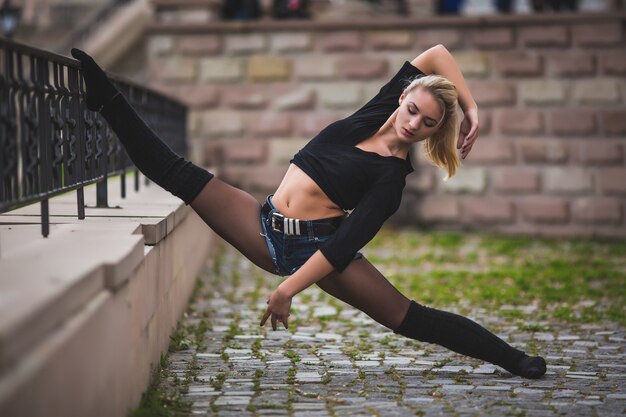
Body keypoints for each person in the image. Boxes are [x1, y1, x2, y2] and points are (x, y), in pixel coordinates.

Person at [71, 45, 547, 379]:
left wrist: (287, 288)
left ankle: (514, 359)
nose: (414, 124)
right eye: (414, 110)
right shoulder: (374, 112)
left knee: (410, 319)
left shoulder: (390, 180)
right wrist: (470, 106)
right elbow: (437, 52)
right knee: (176, 172)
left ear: (431, 133)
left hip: (315, 248)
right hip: (264, 223)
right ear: (403, 96)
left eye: (427, 124)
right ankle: (106, 97)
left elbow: (343, 246)